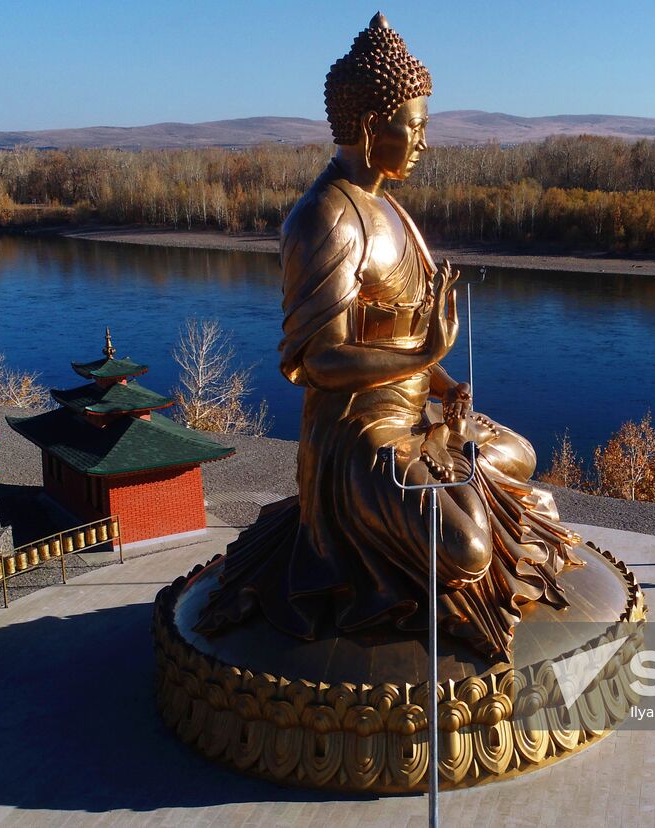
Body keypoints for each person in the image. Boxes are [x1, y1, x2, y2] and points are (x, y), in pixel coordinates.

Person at [195, 14, 583, 659]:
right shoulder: (326, 217)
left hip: (418, 415)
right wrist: (424, 351)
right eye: (416, 126)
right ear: (374, 127)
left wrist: (442, 381)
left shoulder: (392, 208)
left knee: (520, 453)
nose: (424, 143)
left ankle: (459, 480)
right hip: (359, 435)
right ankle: (429, 525)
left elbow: (399, 336)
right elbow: (318, 358)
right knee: (468, 552)